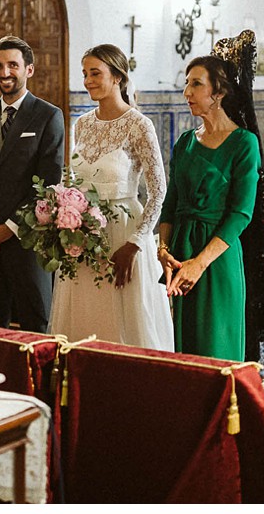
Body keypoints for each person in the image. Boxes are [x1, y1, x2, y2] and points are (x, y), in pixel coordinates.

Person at [50, 44, 172, 350]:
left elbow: (159, 191)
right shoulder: (82, 124)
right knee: (84, 317)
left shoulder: (139, 125)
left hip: (123, 233)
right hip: (84, 234)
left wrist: (136, 243)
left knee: (122, 321)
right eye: (85, 74)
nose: (88, 80)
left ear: (117, 76)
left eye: (96, 73)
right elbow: (76, 182)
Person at [157, 36, 263, 362]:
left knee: (214, 346)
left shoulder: (244, 143)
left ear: (218, 93)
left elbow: (241, 214)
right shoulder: (186, 142)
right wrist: (163, 250)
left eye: (196, 84)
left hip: (216, 259)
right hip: (180, 254)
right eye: (187, 84)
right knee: (182, 350)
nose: (187, 92)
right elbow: (171, 203)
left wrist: (199, 263)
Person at [0, 35, 66, 333]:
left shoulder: (48, 115)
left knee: (36, 324)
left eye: (12, 65)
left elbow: (48, 185)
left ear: (28, 70)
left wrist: (9, 227)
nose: (4, 73)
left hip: (26, 243)